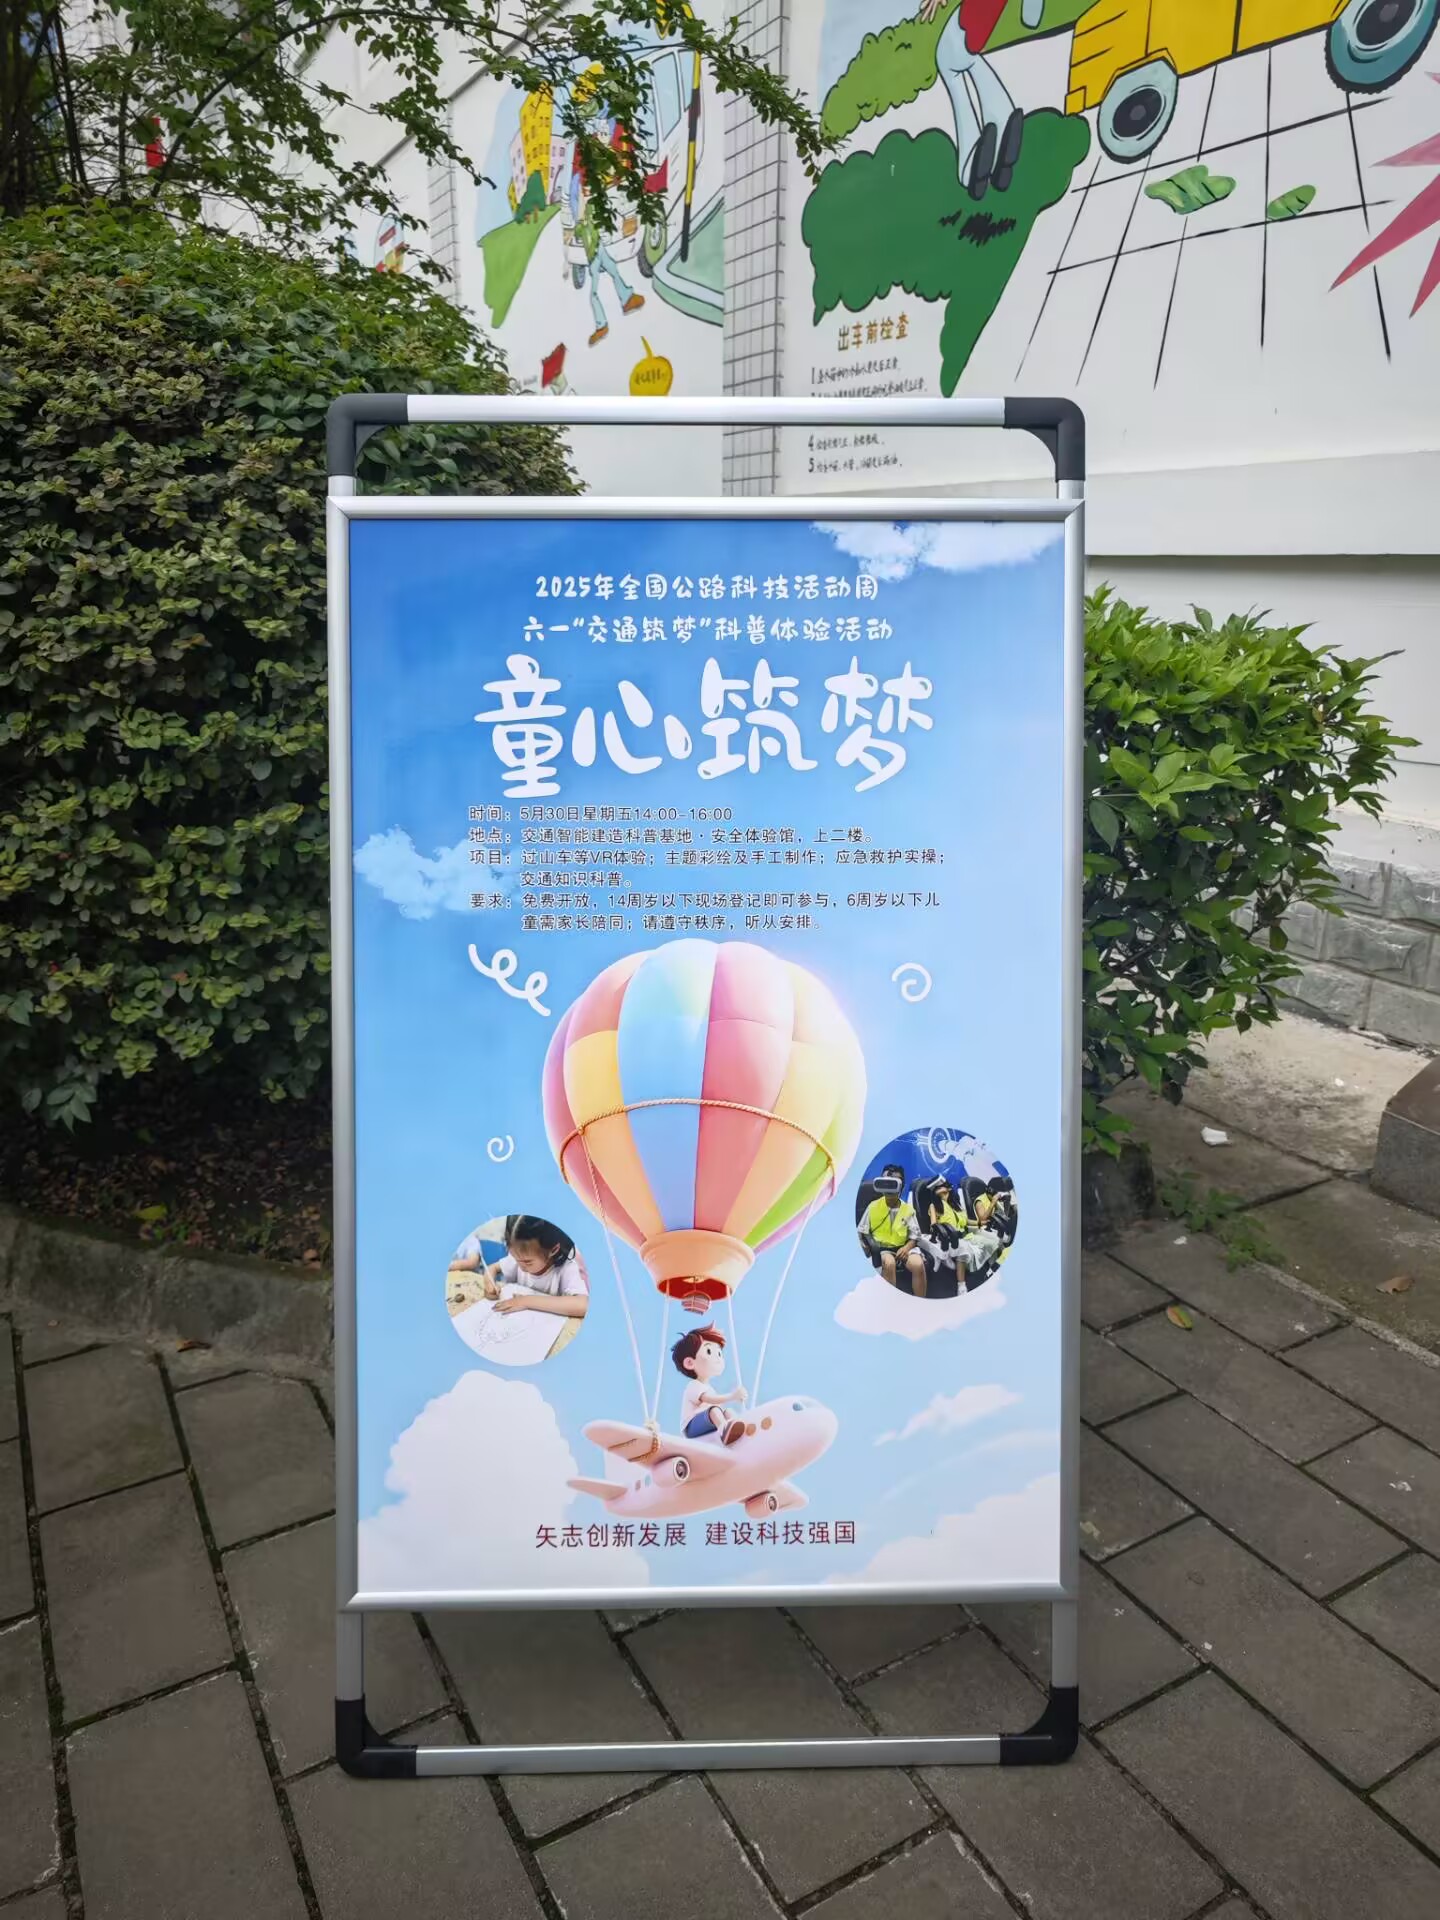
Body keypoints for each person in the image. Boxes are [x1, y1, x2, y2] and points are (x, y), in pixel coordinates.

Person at [921, 0, 1045, 201]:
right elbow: (1031, 18)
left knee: (950, 66)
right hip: (979, 31)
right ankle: (1003, 119)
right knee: (970, 62)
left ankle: (970, 165)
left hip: (966, 26)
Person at [448, 1215, 589, 1319]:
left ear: (553, 1250)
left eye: (527, 1262)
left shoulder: (566, 1268)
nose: (520, 1266)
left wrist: (526, 1301)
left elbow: (583, 1305)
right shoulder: (519, 1258)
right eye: (515, 1258)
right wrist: (488, 1282)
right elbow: (492, 1268)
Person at [858, 1164, 927, 1298]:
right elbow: (862, 1231)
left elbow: (915, 1236)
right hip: (883, 1249)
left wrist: (906, 1248)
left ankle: (920, 1301)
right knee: (889, 1264)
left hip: (903, 1248)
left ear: (901, 1186)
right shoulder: (873, 1207)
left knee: (918, 1264)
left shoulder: (908, 1210)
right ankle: (890, 1302)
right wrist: (869, 1248)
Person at [672, 1324, 747, 1444]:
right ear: (690, 1363)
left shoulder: (709, 1388)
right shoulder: (694, 1385)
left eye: (719, 1353)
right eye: (709, 1351)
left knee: (728, 1412)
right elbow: (710, 1399)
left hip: (706, 1421)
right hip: (691, 1427)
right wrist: (733, 1396)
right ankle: (724, 1432)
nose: (718, 1358)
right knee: (714, 1410)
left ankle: (740, 1428)